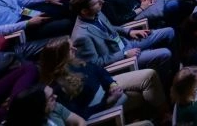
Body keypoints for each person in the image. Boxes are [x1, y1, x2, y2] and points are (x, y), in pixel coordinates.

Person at [38, 37, 167, 121]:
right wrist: (108, 101)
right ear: (61, 56)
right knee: (143, 96)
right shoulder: (57, 88)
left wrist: (111, 84)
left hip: (108, 88)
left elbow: (99, 71)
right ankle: (161, 117)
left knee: (150, 76)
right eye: (70, 49)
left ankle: (164, 115)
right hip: (102, 107)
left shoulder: (74, 62)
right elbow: (80, 114)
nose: (75, 49)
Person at [69, 0, 174, 77]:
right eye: (97, 2)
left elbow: (111, 27)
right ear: (84, 11)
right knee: (165, 53)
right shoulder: (81, 36)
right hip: (121, 59)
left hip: (126, 42)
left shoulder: (96, 12)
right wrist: (124, 54)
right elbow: (95, 63)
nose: (102, 2)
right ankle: (165, 81)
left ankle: (173, 67)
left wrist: (129, 31)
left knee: (169, 31)